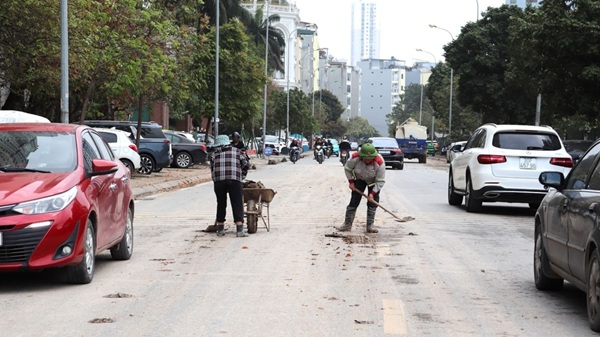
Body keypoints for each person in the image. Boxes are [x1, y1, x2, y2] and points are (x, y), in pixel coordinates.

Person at [335, 143, 385, 233]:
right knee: (354, 200)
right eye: (365, 159)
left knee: (373, 202)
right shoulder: (354, 157)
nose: (367, 161)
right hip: (359, 178)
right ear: (361, 156)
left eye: (369, 159)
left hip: (373, 181)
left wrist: (372, 194)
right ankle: (347, 224)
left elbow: (380, 181)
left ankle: (370, 226)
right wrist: (351, 182)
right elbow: (347, 169)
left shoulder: (379, 162)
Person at [210, 134, 249, 237]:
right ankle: (239, 229)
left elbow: (212, 168)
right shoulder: (238, 151)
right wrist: (242, 177)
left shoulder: (214, 154)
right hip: (234, 179)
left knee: (221, 203)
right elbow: (245, 164)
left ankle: (220, 229)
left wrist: (215, 180)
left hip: (219, 181)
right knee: (237, 202)